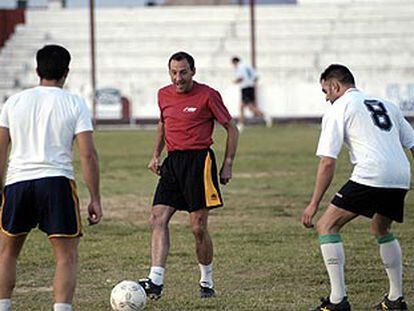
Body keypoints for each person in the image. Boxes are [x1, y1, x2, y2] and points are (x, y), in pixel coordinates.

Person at [301, 64, 414, 311]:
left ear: (335, 86)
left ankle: (337, 300)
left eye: (325, 91)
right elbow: (412, 143)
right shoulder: (386, 104)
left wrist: (313, 204)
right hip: (400, 175)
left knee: (326, 225)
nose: (326, 97)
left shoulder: (340, 107)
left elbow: (327, 162)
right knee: (381, 227)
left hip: (371, 174)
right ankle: (395, 299)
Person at [0, 45, 102, 311]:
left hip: (17, 183)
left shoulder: (13, 102)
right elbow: (88, 155)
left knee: (8, 253)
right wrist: (95, 198)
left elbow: (1, 149)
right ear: (66, 73)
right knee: (65, 256)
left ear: (37, 71)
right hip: (57, 183)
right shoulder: (74, 103)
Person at [138, 51, 239, 300]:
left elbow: (231, 128)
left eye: (183, 72)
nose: (178, 78)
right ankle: (156, 280)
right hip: (173, 163)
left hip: (199, 162)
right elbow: (163, 124)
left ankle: (206, 280)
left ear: (193, 71)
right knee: (157, 218)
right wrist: (155, 155)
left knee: (198, 228)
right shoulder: (163, 94)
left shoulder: (208, 95)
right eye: (173, 72)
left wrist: (227, 163)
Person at [231, 56, 269, 131]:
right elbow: (256, 76)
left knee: (246, 107)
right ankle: (241, 124)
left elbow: (241, 78)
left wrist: (234, 81)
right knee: (247, 107)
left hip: (245, 87)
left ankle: (265, 116)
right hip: (250, 87)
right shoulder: (247, 65)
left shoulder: (239, 67)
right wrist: (251, 83)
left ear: (235, 62)